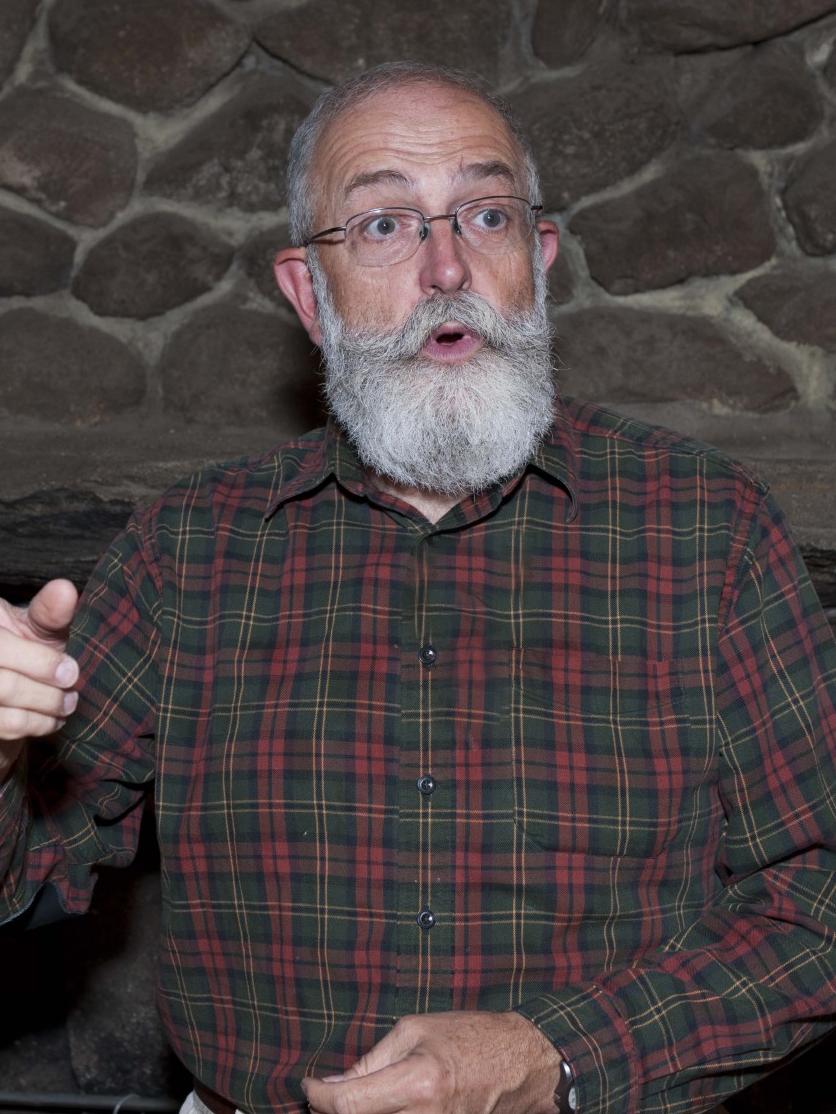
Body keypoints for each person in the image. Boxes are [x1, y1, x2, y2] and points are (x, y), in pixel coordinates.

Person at [0, 62, 834, 1114]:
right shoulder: (190, 550)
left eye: (484, 214)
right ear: (308, 292)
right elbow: (25, 880)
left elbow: (821, 900)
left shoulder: (708, 531)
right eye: (384, 225)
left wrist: (560, 1057)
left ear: (536, 259)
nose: (446, 266)